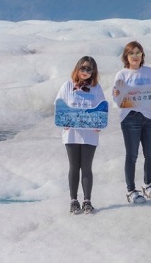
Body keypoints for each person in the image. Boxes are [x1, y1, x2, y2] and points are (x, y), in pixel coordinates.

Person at [113, 41, 151, 204]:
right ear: (126, 56)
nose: (135, 56)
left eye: (138, 52)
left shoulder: (149, 72)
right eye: (131, 53)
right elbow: (117, 98)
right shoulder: (122, 74)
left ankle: (147, 184)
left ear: (142, 55)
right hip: (130, 117)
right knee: (132, 155)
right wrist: (117, 95)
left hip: (148, 118)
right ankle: (131, 190)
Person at [55, 56, 105, 214]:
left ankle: (87, 201)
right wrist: (64, 120)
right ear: (77, 68)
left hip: (89, 135)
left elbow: (102, 108)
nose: (85, 72)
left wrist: (99, 123)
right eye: (83, 68)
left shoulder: (96, 88)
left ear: (93, 72)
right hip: (71, 134)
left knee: (87, 167)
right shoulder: (67, 86)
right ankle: (73, 200)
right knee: (74, 167)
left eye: (89, 69)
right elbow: (58, 104)